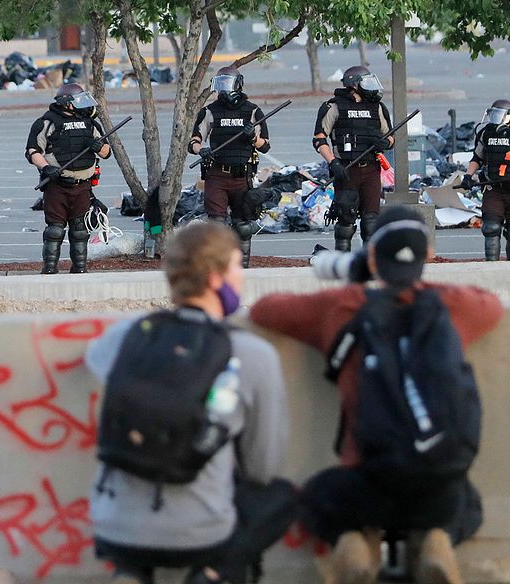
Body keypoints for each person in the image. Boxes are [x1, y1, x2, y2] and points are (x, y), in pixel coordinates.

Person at [250, 206, 504, 584]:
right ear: (429, 255)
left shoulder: (344, 307)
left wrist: (355, 278)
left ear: (372, 255)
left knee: (319, 495)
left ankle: (353, 543)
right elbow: (492, 304)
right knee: (467, 502)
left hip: (367, 482)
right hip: (436, 484)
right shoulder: (451, 307)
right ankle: (438, 539)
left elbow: (263, 309)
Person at [86, 221, 294, 584]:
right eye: (237, 266)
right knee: (279, 496)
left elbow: (95, 359)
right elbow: (263, 467)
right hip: (200, 531)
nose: (241, 276)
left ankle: (131, 572)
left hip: (113, 525)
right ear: (216, 279)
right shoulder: (250, 353)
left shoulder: (126, 336)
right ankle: (212, 573)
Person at [188, 66, 271, 268]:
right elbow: (194, 141)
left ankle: (242, 268)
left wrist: (253, 137)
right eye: (220, 85)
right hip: (217, 175)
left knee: (242, 226)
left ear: (238, 84)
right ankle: (217, 268)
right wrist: (201, 151)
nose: (223, 90)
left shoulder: (252, 111)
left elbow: (266, 146)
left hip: (242, 177)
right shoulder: (209, 111)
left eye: (227, 84)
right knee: (216, 225)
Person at [25, 83, 111, 274]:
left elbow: (106, 152)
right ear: (67, 103)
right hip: (57, 186)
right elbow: (32, 151)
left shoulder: (90, 123)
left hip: (83, 187)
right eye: (78, 100)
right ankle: (49, 270)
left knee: (80, 230)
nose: (83, 104)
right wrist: (46, 168)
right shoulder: (46, 122)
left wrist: (97, 146)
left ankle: (80, 269)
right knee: (54, 230)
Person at [313, 65, 394, 251]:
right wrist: (333, 162)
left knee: (371, 222)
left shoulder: (378, 107)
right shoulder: (333, 107)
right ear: (354, 85)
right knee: (345, 221)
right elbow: (319, 138)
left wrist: (386, 144)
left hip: (372, 170)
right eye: (367, 82)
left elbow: (390, 136)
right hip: (346, 170)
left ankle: (369, 265)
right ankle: (344, 264)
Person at [458, 99, 510, 260]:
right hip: (493, 188)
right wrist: (468, 176)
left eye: (499, 114)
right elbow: (477, 158)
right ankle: (491, 269)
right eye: (493, 113)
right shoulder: (485, 133)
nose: (495, 117)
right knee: (491, 228)